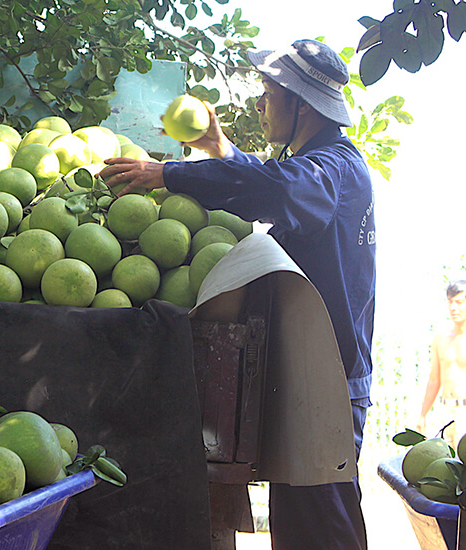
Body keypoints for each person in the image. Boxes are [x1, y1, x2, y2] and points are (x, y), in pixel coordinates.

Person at [100, 39, 375, 549]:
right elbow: (279, 182)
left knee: (322, 530)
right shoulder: (325, 168)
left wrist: (167, 174)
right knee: (301, 528)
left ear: (300, 104)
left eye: (269, 93)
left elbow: (282, 188)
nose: (261, 104)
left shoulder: (334, 168)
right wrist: (221, 151)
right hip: (316, 376)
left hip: (330, 384)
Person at [416, 280, 466, 445]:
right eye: (450, 302)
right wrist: (423, 415)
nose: (453, 307)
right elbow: (434, 380)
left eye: (459, 302)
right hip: (445, 412)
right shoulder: (441, 338)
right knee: (442, 457)